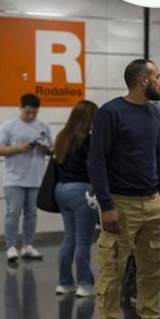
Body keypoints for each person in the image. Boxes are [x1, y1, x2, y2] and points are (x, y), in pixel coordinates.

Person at [89, 59, 160, 319]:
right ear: (143, 80)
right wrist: (106, 206)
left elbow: (156, 158)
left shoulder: (153, 113)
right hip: (120, 204)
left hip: (153, 202)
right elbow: (96, 160)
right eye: (157, 77)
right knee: (112, 270)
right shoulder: (111, 112)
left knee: (152, 270)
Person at [0, 93, 52, 263]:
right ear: (20, 108)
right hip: (14, 179)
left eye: (35, 112)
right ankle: (11, 246)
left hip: (35, 177)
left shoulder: (44, 126)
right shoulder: (8, 126)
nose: (31, 115)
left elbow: (52, 150)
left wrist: (43, 148)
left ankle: (27, 245)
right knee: (13, 212)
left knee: (32, 213)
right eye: (28, 112)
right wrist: (19, 148)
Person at [52, 100, 99, 297]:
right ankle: (85, 284)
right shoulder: (88, 140)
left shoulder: (62, 136)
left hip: (61, 190)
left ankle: (64, 283)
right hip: (82, 192)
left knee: (69, 237)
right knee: (83, 240)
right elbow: (95, 166)